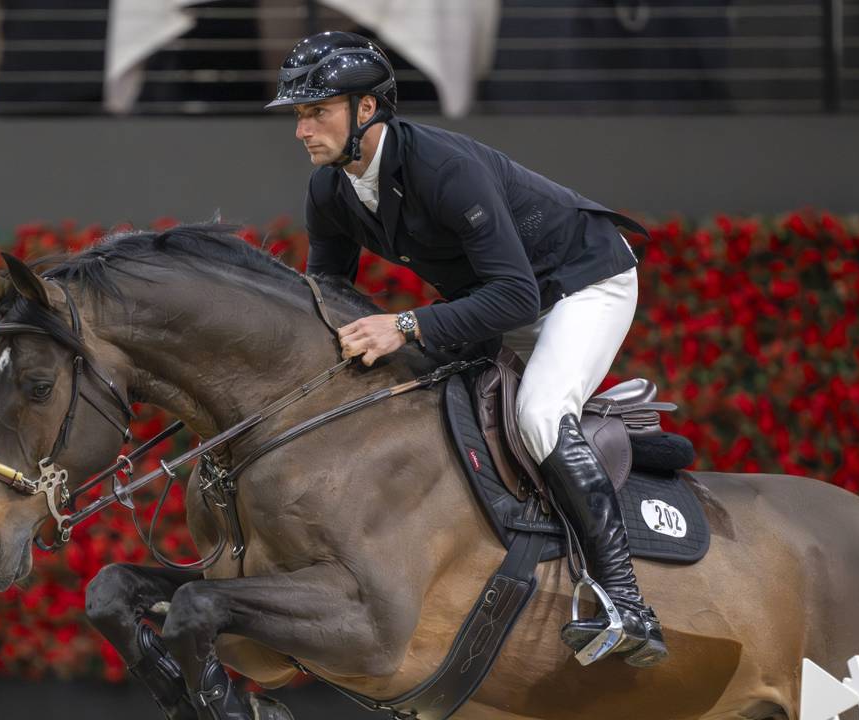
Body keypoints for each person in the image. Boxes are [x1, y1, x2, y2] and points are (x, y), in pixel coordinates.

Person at [266, 31, 665, 667]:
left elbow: (516, 297)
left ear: (366, 109)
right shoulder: (330, 190)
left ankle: (626, 602)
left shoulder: (444, 169)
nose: (301, 130)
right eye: (298, 114)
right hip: (504, 296)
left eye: (317, 111)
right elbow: (327, 297)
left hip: (582, 283)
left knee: (539, 414)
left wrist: (403, 326)